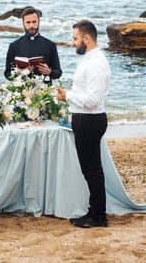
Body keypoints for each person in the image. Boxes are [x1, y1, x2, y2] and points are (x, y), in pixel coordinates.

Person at [57, 20, 110, 228]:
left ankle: (98, 217)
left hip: (90, 120)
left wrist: (68, 96)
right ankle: (94, 211)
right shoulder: (90, 59)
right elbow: (86, 94)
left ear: (86, 38)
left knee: (92, 170)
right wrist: (68, 96)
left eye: (75, 39)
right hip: (85, 118)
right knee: (90, 170)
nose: (73, 43)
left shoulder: (95, 62)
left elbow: (93, 100)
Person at [4, 6, 62, 80]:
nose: (31, 25)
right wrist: (19, 73)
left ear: (39, 22)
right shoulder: (14, 46)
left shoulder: (50, 45)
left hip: (44, 90)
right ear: (23, 23)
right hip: (21, 90)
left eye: (34, 22)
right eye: (28, 22)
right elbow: (7, 74)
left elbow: (58, 73)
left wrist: (49, 72)